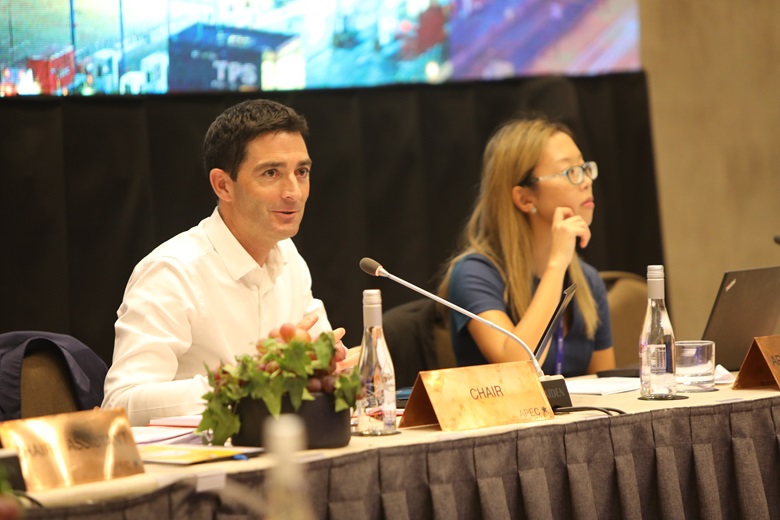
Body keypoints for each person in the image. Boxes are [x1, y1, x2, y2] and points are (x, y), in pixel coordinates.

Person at [102, 99, 348, 426]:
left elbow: (323, 359)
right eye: (271, 173)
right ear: (223, 185)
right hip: (198, 456)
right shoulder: (172, 272)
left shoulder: (288, 256)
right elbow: (120, 404)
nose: (294, 192)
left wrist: (328, 364)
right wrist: (243, 380)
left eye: (301, 172)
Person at [438, 116, 615, 376]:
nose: (587, 181)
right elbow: (518, 367)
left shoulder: (587, 280)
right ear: (524, 199)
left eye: (585, 168)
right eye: (570, 172)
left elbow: (607, 387)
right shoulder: (474, 274)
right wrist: (557, 264)